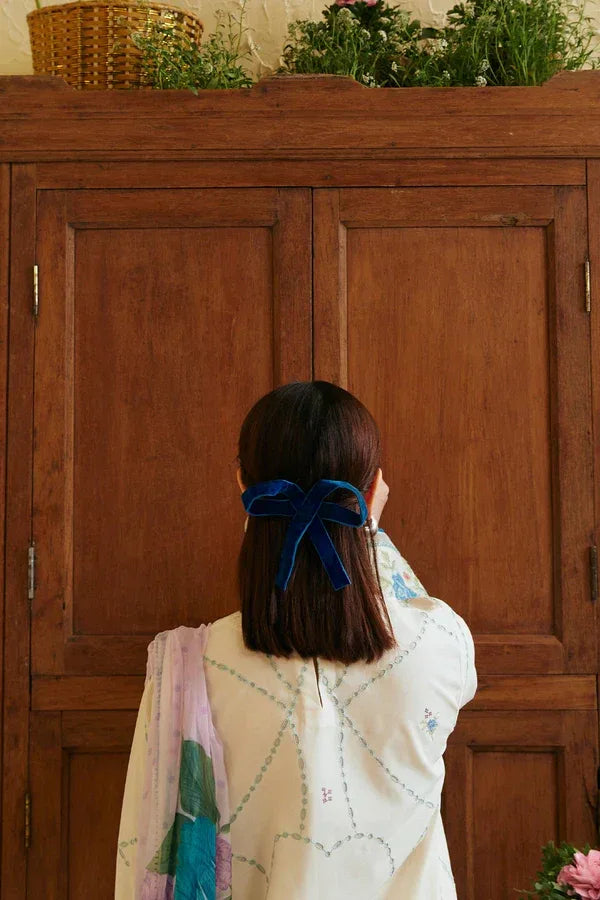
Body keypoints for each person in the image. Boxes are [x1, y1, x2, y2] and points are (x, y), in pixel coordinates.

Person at [115, 380, 477, 900]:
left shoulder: (189, 667)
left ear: (244, 486)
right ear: (372, 495)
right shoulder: (442, 643)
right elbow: (400, 606)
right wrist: (366, 530)